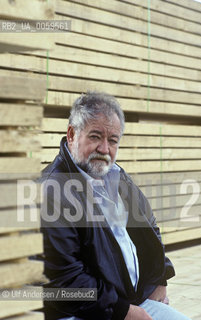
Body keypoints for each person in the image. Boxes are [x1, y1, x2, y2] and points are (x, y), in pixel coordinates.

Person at [40, 91, 191, 320]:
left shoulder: (118, 177)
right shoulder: (51, 191)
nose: (104, 149)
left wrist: (160, 277)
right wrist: (123, 312)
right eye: (95, 136)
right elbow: (65, 281)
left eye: (112, 140)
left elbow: (149, 228)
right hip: (78, 312)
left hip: (130, 303)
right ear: (72, 134)